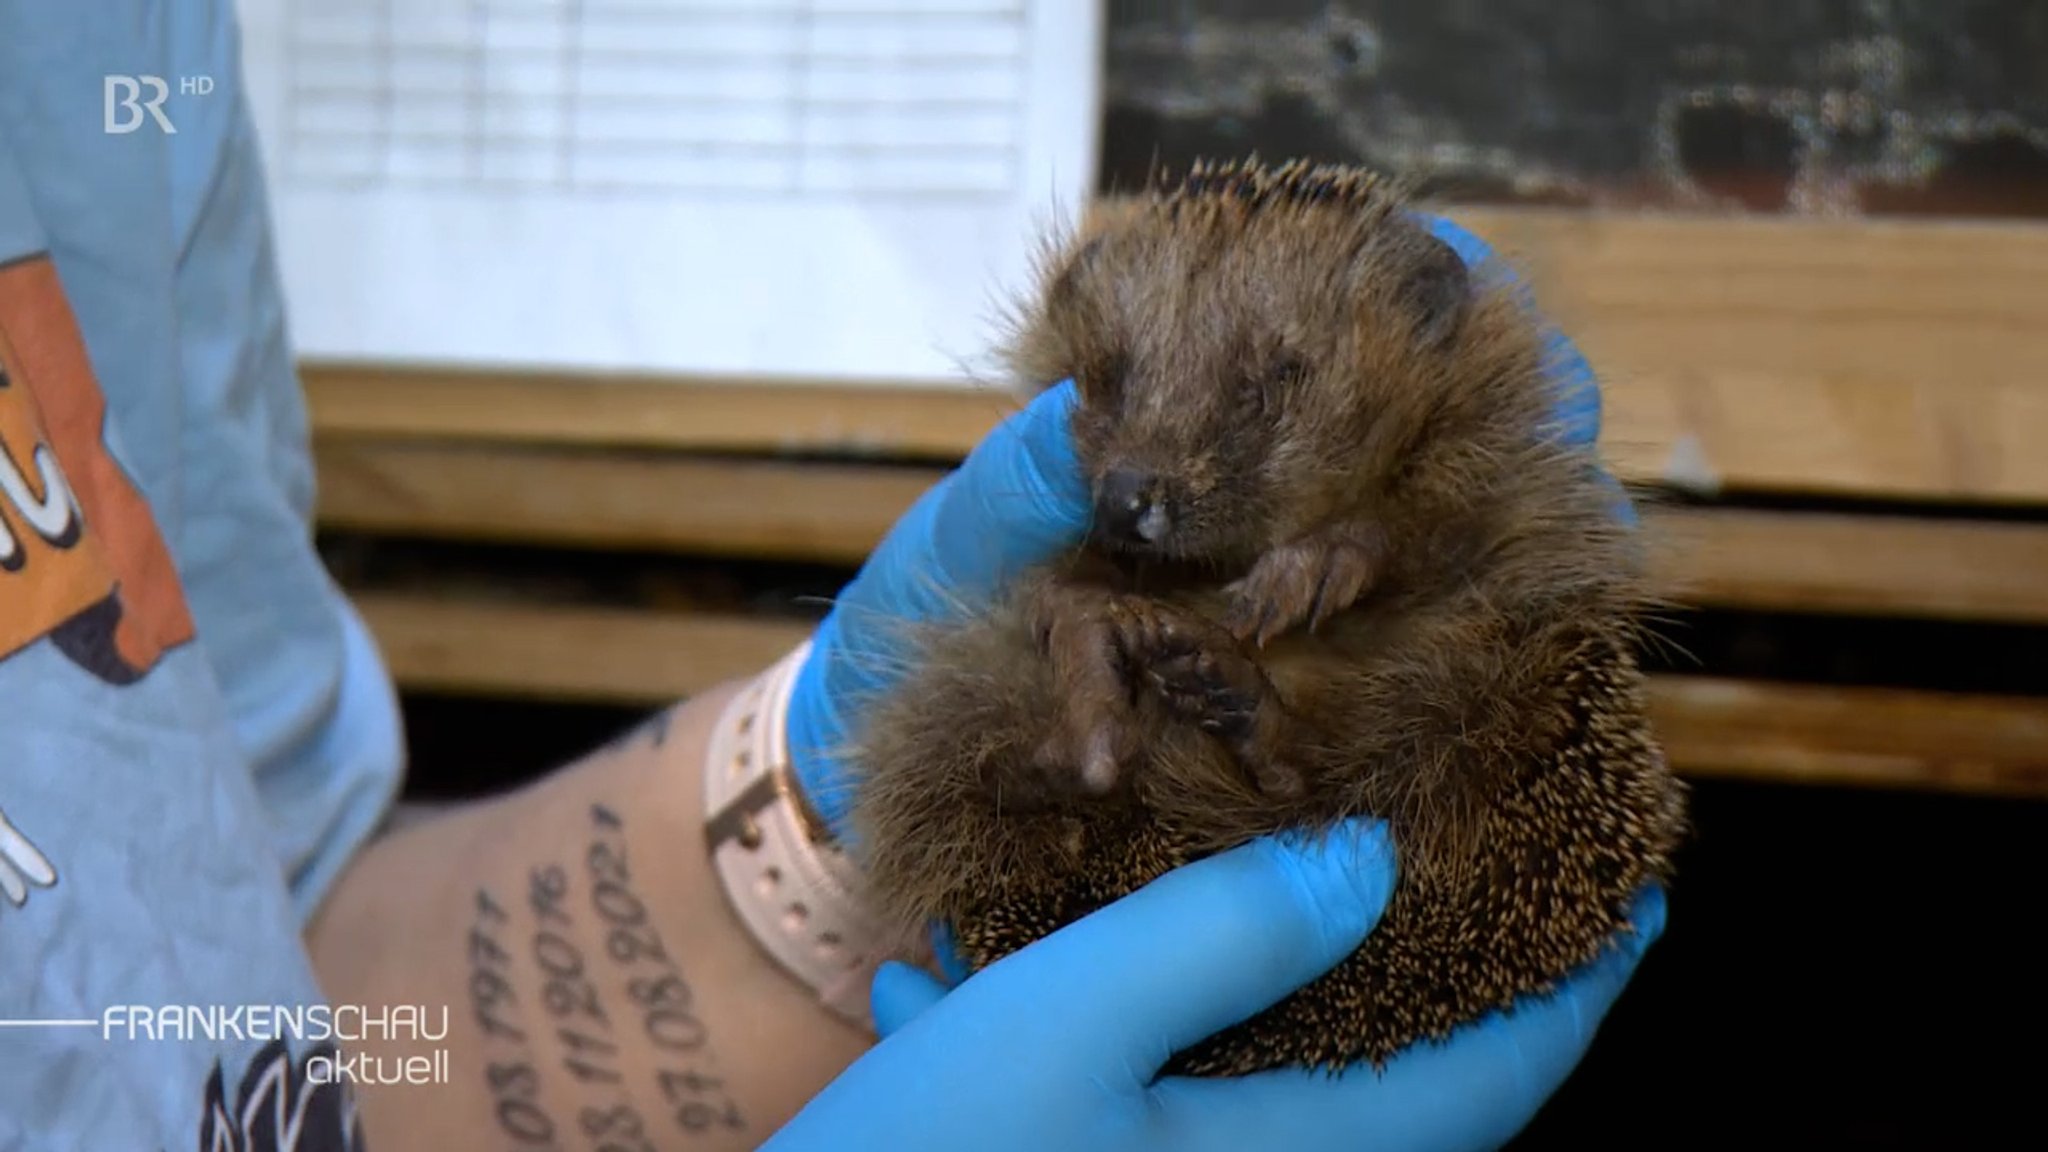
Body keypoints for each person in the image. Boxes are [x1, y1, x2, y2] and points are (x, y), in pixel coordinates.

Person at [0, 4, 1661, 1150]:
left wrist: (783, 846)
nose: (1151, 469)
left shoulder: (108, 61)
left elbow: (229, 988)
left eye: (1261, 399)